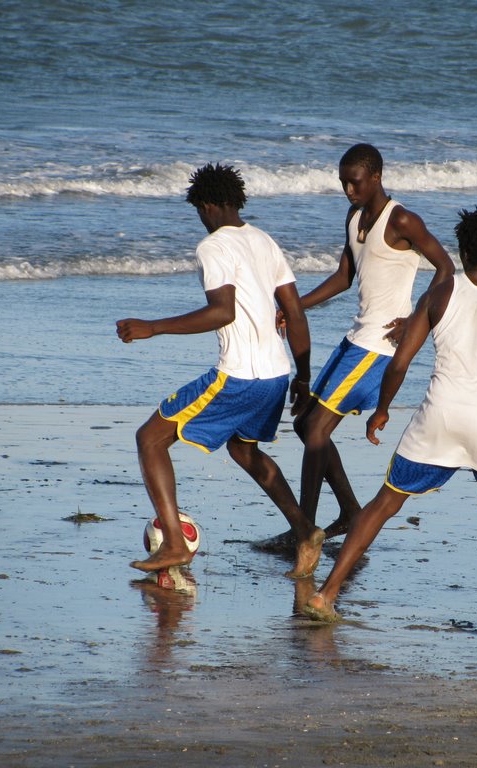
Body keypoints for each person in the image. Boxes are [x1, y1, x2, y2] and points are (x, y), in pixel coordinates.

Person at [300, 206, 477, 630]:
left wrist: (383, 409)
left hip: (438, 415)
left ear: (461, 249)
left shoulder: (439, 294)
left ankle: (325, 593)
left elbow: (401, 361)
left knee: (385, 501)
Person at [116, 163, 324, 580]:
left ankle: (174, 543)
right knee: (244, 450)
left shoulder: (212, 246)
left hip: (240, 376)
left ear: (207, 205)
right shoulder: (265, 241)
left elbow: (221, 311)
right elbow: (296, 313)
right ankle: (305, 531)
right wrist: (302, 377)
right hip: (276, 374)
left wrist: (153, 327)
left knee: (150, 438)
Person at [263, 143, 454, 548]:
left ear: (376, 177)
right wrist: (295, 306)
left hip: (379, 348)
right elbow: (343, 277)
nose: (348, 189)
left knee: (315, 429)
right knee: (304, 424)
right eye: (343, 182)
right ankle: (349, 510)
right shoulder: (353, 217)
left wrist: (417, 318)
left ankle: (305, 531)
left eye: (355, 182)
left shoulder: (401, 218)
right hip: (355, 339)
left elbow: (446, 267)